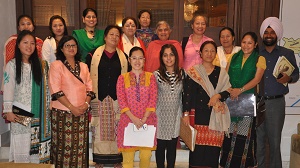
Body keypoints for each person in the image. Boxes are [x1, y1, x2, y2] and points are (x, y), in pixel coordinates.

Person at [257, 17, 299, 168]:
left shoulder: (287, 53)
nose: (269, 35)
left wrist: (289, 77)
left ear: (277, 34)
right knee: (258, 142)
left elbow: (296, 74)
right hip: (257, 102)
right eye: (266, 32)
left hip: (276, 102)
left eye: (272, 32)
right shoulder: (256, 52)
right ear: (262, 34)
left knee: (274, 143)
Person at [3, 30, 51, 163]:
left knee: (36, 157)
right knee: (22, 152)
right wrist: (8, 111)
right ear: (18, 45)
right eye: (25, 43)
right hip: (20, 115)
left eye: (32, 43)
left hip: (39, 116)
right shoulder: (12, 65)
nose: (29, 46)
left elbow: (47, 90)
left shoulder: (41, 66)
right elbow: (8, 88)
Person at [219, 32, 266, 168]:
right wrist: (230, 90)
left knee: (244, 137)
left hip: (247, 102)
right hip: (231, 100)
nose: (246, 46)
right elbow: (225, 76)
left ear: (255, 44)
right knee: (229, 136)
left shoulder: (259, 59)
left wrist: (239, 90)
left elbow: (257, 79)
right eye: (244, 42)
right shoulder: (234, 57)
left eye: (250, 43)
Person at [182, 41, 231, 168]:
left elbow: (228, 91)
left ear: (215, 54)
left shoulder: (221, 72)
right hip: (198, 117)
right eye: (206, 51)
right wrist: (186, 114)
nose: (209, 53)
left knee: (212, 154)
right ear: (201, 54)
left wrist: (217, 96)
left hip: (215, 118)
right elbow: (187, 95)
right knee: (197, 155)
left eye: (212, 51)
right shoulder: (194, 72)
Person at [49, 35, 95, 167]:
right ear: (61, 49)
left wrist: (86, 104)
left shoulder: (84, 66)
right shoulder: (56, 65)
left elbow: (90, 88)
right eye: (67, 45)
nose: (71, 48)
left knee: (80, 147)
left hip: (82, 112)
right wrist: (72, 107)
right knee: (64, 148)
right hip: (62, 113)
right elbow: (56, 91)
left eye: (73, 45)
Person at [86, 25, 128, 168]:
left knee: (117, 128)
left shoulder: (124, 57)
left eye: (117, 35)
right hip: (99, 97)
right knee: (99, 129)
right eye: (111, 34)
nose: (114, 37)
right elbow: (87, 78)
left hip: (117, 99)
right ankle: (99, 160)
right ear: (105, 37)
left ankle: (117, 159)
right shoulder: (92, 55)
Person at [116, 46, 158, 168]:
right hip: (128, 121)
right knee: (128, 159)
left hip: (148, 121)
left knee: (145, 156)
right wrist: (133, 118)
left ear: (144, 60)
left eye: (140, 58)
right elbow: (122, 100)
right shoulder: (122, 78)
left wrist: (144, 118)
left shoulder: (151, 77)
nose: (137, 61)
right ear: (129, 60)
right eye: (134, 58)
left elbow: (153, 98)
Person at [154, 44, 183, 168]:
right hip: (160, 116)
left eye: (171, 55)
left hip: (175, 115)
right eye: (165, 55)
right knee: (160, 147)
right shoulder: (156, 75)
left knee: (172, 148)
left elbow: (185, 96)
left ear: (176, 57)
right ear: (161, 58)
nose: (168, 58)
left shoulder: (183, 74)